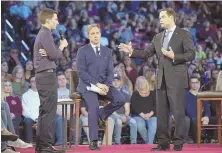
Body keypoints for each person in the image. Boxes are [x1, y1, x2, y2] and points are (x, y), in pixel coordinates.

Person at [119, 8, 195, 151]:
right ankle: (163, 143)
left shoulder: (183, 34)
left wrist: (175, 57)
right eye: (159, 17)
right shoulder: (158, 37)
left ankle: (178, 143)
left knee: (178, 112)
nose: (159, 19)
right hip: (161, 80)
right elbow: (147, 53)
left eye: (162, 17)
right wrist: (132, 52)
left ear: (171, 17)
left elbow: (191, 54)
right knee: (162, 113)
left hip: (177, 80)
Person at [76, 24, 125, 150]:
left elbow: (110, 71)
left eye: (97, 33)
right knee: (93, 107)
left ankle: (102, 114)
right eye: (92, 33)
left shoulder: (107, 51)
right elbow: (82, 73)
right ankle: (93, 141)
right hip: (88, 86)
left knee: (120, 99)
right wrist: (97, 84)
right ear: (88, 36)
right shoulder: (82, 51)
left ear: (100, 34)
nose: (95, 35)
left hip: (103, 85)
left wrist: (107, 85)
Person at [33, 8, 68, 153]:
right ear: (48, 20)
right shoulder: (46, 34)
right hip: (46, 76)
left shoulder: (43, 34)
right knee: (49, 112)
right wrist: (61, 46)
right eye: (55, 19)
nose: (57, 22)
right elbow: (54, 55)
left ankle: (42, 146)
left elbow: (51, 54)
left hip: (43, 76)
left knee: (44, 111)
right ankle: (45, 146)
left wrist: (51, 52)